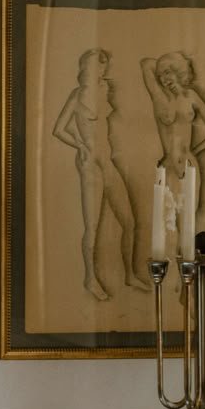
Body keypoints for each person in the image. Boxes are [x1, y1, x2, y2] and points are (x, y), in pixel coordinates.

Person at [52, 48, 148, 300]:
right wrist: (81, 145)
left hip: (107, 161)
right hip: (89, 164)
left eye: (105, 65)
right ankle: (90, 278)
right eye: (99, 66)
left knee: (129, 221)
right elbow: (59, 129)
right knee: (92, 227)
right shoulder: (77, 96)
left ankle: (129, 274)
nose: (103, 70)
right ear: (88, 68)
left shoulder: (105, 88)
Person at [140, 51, 205, 207]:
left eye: (167, 73)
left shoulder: (192, 96)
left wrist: (194, 152)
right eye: (160, 76)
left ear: (179, 71)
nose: (164, 80)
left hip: (189, 166)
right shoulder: (159, 98)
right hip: (167, 168)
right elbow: (145, 63)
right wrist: (168, 64)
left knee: (188, 223)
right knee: (167, 225)